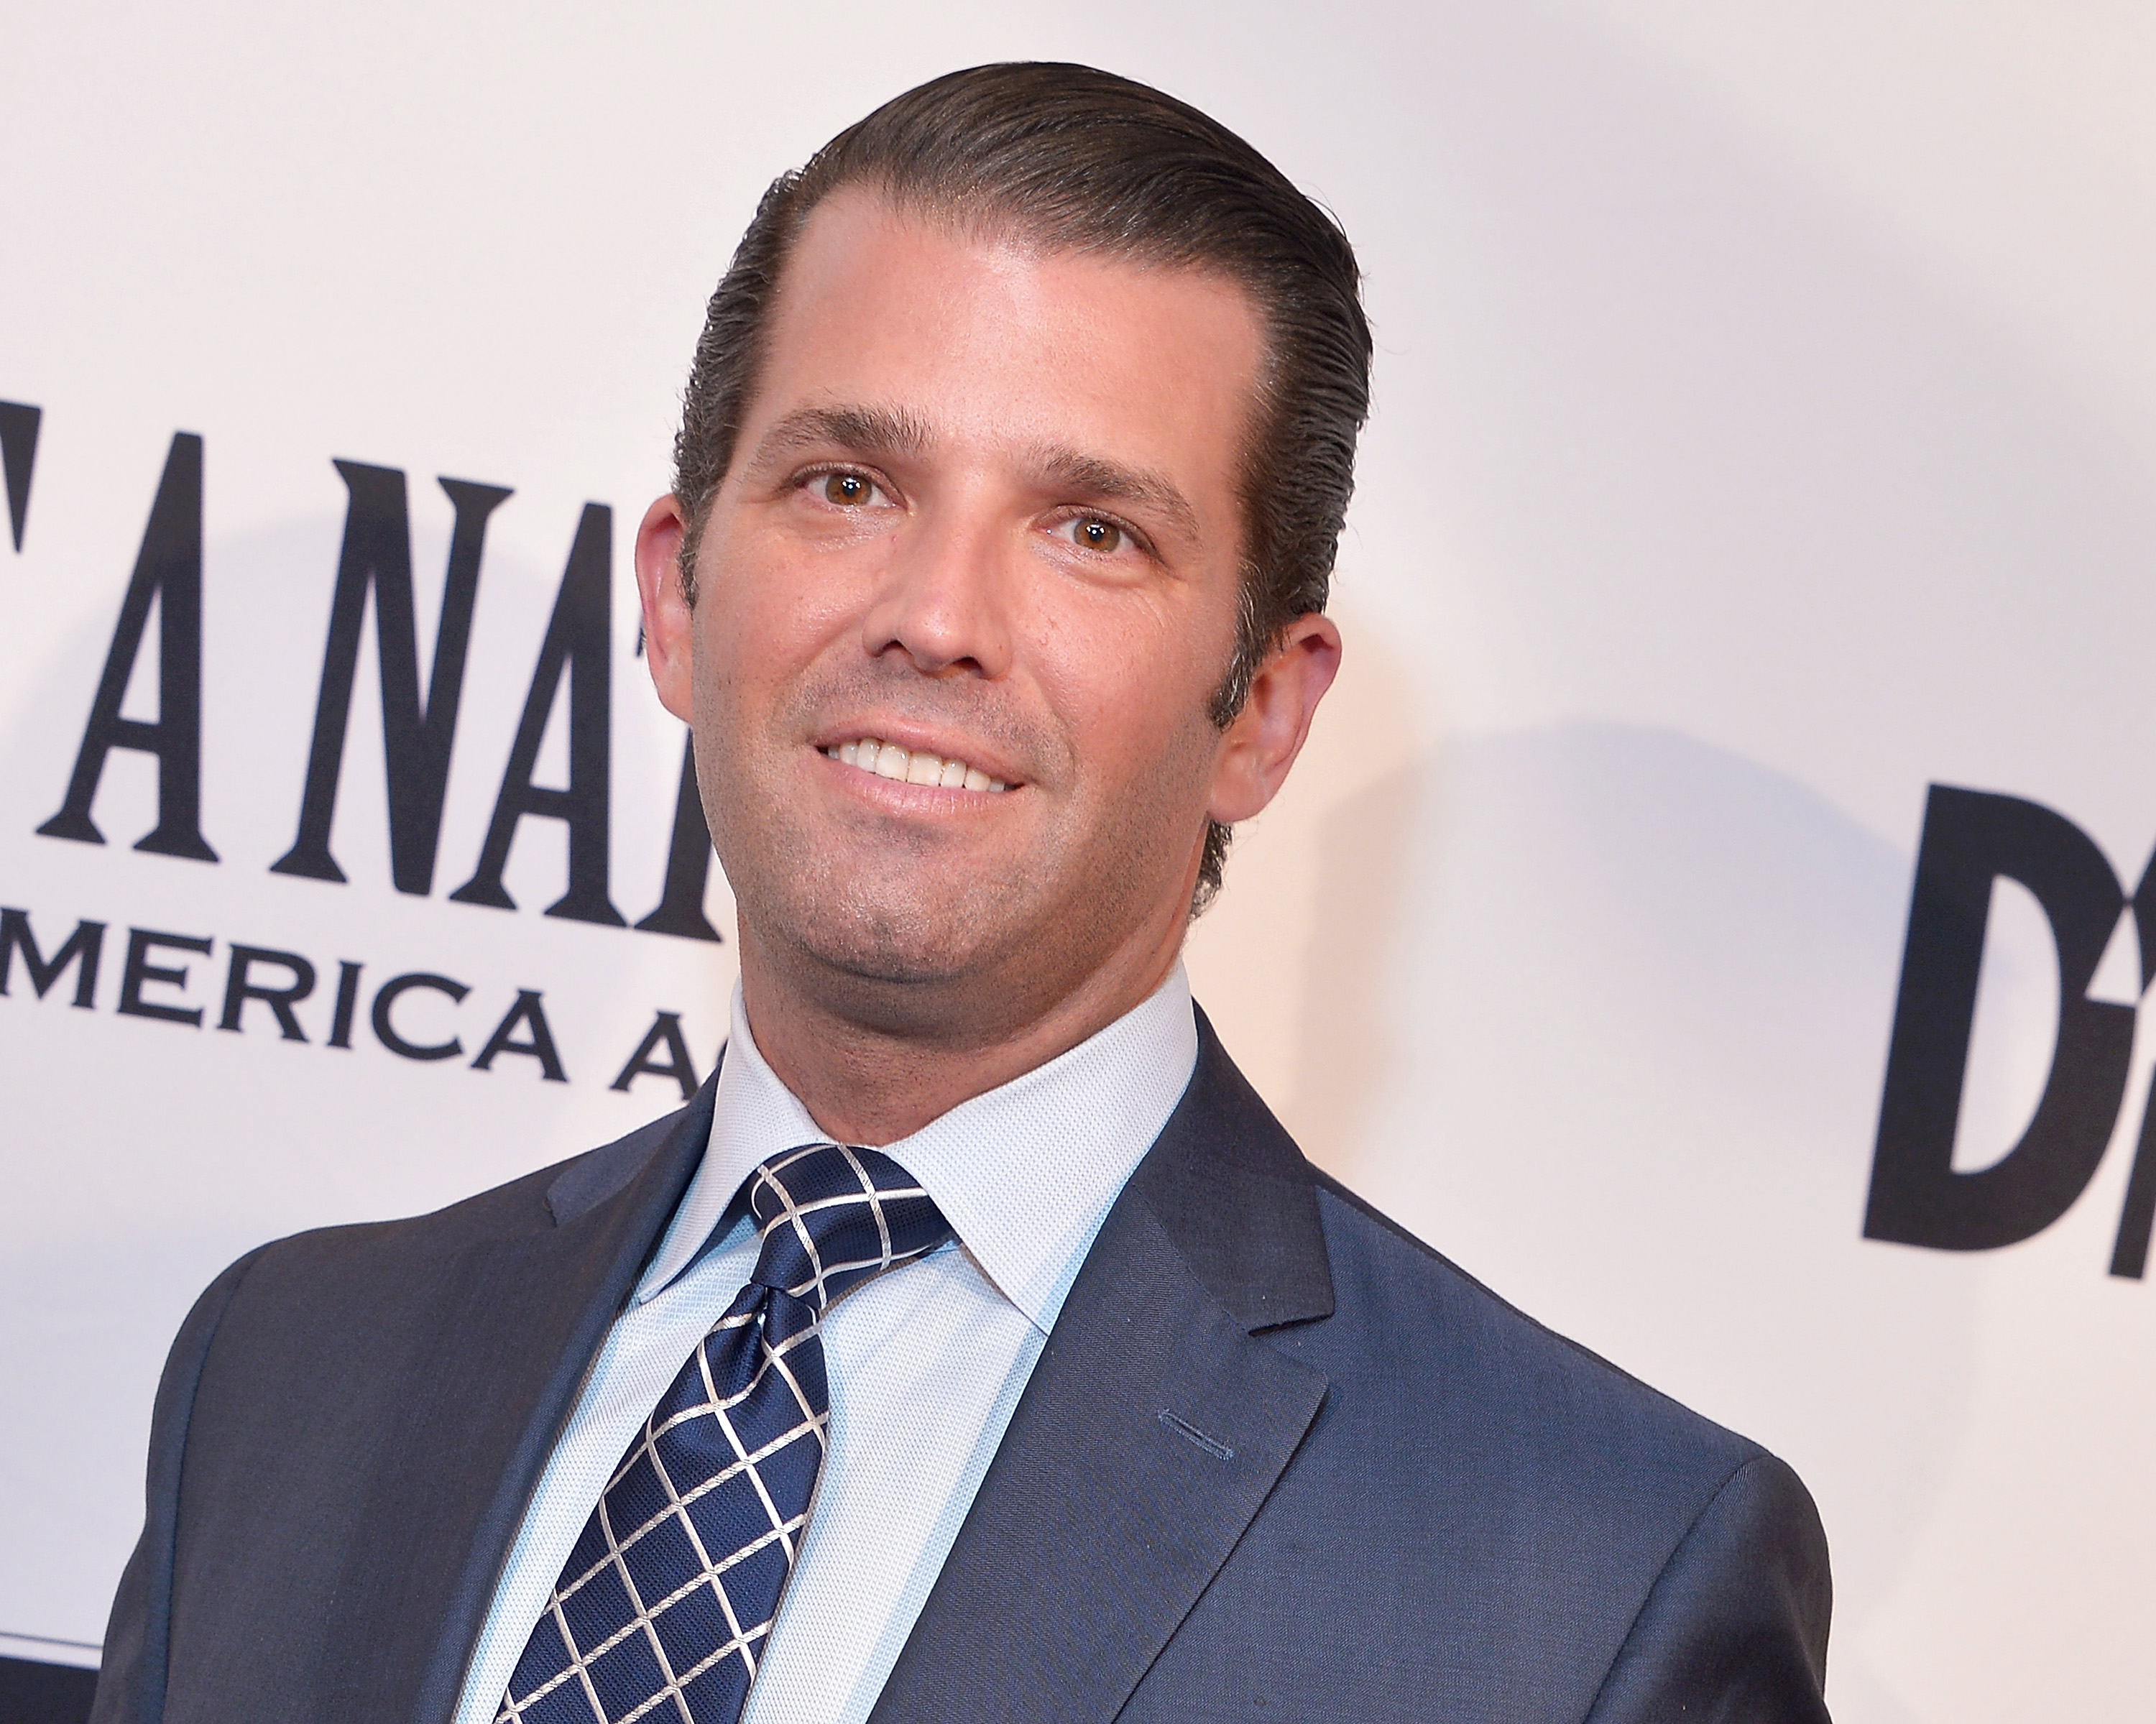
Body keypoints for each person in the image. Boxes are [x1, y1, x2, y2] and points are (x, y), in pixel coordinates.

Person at [91, 63, 1832, 1724]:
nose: (935, 617)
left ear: (1261, 711)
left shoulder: (1586, 1585)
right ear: (679, 600)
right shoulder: (286, 1376)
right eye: (849, 486)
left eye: (1094, 531)